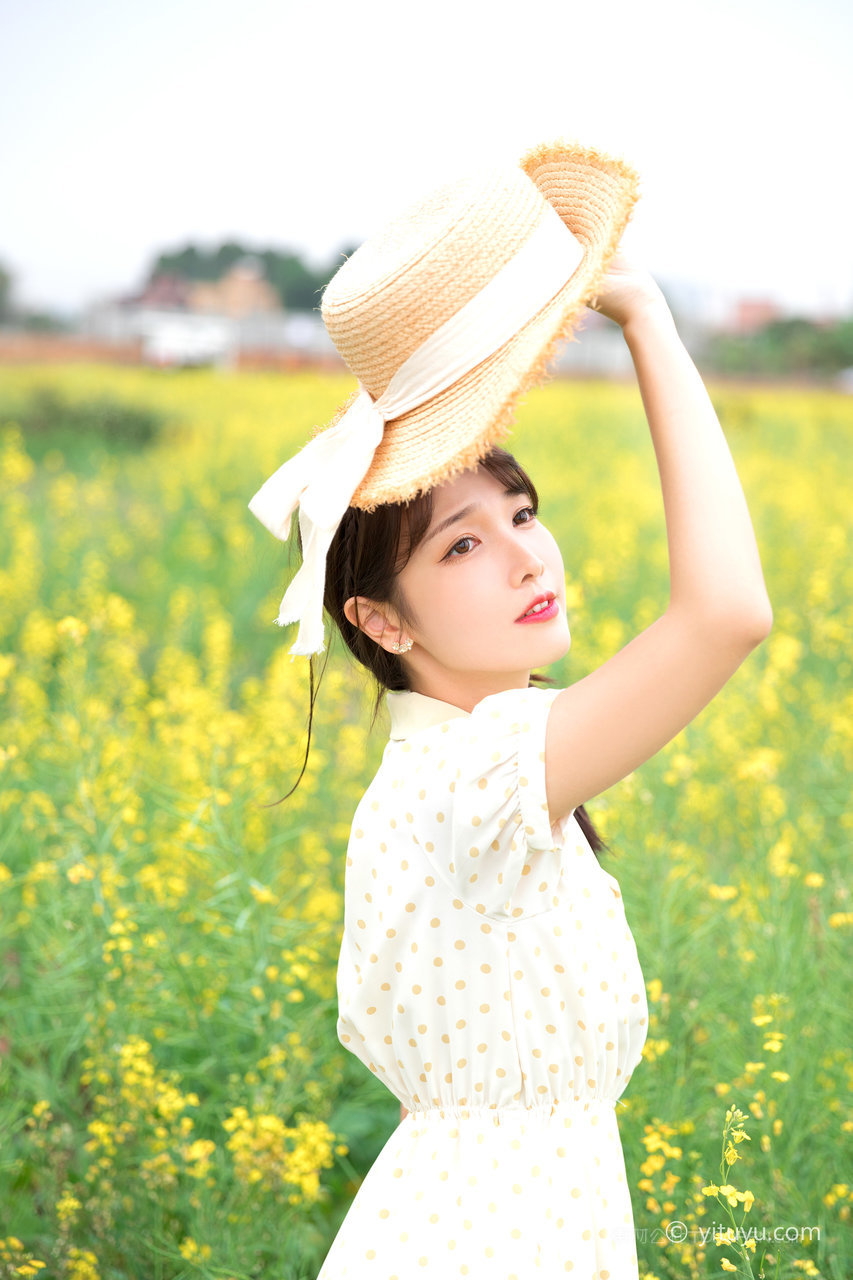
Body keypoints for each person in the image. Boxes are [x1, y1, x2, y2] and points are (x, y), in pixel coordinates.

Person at [248, 139, 773, 1278]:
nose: (527, 557)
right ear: (384, 623)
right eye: (464, 544)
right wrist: (648, 324)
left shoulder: (458, 771)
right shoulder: (475, 774)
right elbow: (727, 611)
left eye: (523, 514)